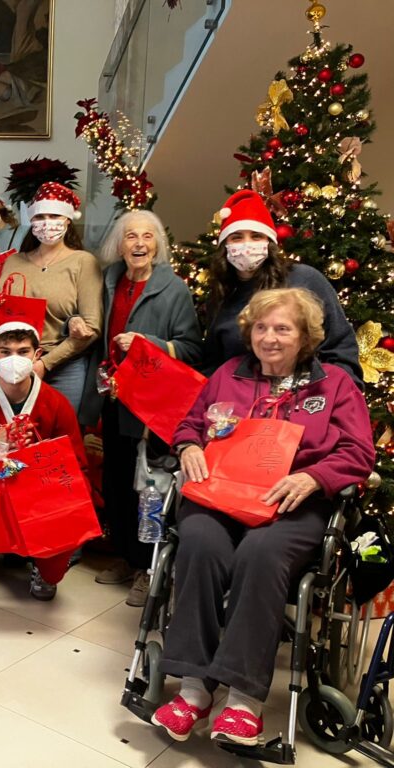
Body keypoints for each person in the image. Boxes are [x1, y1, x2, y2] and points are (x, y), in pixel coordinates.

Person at [152, 288, 373, 746]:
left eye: (283, 328)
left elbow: (358, 452)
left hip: (291, 503)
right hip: (222, 494)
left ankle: (241, 700)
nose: (269, 338)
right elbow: (190, 424)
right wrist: (190, 445)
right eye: (260, 327)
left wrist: (313, 478)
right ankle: (193, 690)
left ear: (306, 336)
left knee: (261, 554)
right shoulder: (226, 376)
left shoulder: (333, 384)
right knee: (199, 543)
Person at [79, 210, 201, 606]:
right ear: (120, 242)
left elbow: (192, 348)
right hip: (113, 396)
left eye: (147, 237)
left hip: (148, 404)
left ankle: (148, 568)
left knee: (147, 486)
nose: (139, 244)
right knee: (114, 481)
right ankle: (125, 556)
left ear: (157, 244)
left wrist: (150, 342)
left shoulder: (174, 289)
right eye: (131, 236)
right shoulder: (110, 279)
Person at [0, 322, 88, 602]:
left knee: (70, 506)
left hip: (39, 488)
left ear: (37, 354)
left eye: (23, 352)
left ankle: (46, 569)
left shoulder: (56, 402)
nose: (13, 360)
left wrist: (43, 459)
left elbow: (77, 462)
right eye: (5, 351)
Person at [203, 190, 361, 386]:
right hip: (244, 403)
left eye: (256, 236)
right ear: (225, 245)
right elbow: (213, 363)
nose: (247, 245)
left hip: (309, 395)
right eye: (236, 237)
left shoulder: (305, 279)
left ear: (269, 243)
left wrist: (338, 396)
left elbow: (340, 346)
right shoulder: (221, 295)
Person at [0, 181, 102, 412]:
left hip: (64, 365)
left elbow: (92, 327)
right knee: (15, 434)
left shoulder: (83, 262)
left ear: (68, 219)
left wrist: (45, 363)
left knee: (59, 435)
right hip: (14, 361)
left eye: (54, 215)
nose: (47, 224)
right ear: (31, 221)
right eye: (40, 217)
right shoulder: (14, 261)